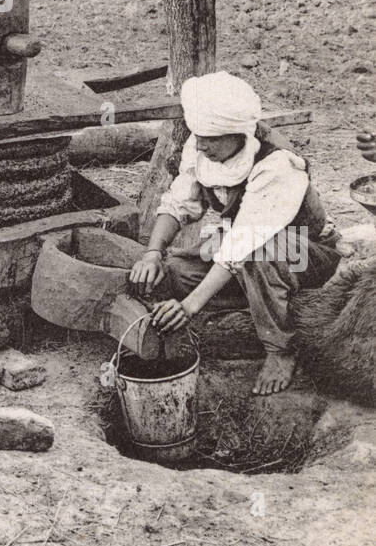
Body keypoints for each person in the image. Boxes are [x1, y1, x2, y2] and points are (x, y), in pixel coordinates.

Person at [130, 71, 339, 396]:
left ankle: (279, 349)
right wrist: (153, 252)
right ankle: (252, 299)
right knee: (178, 268)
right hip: (240, 243)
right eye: (199, 135)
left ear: (238, 132)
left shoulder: (276, 164)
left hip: (305, 252)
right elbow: (178, 203)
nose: (201, 144)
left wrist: (188, 307)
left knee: (257, 255)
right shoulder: (201, 143)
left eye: (211, 138)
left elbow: (243, 244)